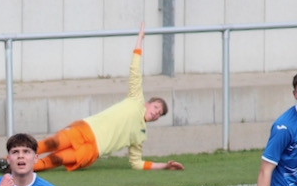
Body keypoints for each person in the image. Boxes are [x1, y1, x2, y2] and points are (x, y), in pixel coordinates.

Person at [30, 23, 183, 173]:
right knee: (51, 143)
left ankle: (16, 169)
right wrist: (139, 39)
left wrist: (164, 165)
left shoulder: (141, 135)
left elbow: (137, 163)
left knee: (55, 160)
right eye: (156, 107)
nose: (157, 112)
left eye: (159, 114)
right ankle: (6, 162)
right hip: (85, 129)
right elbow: (135, 70)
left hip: (93, 150)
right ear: (147, 104)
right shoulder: (136, 99)